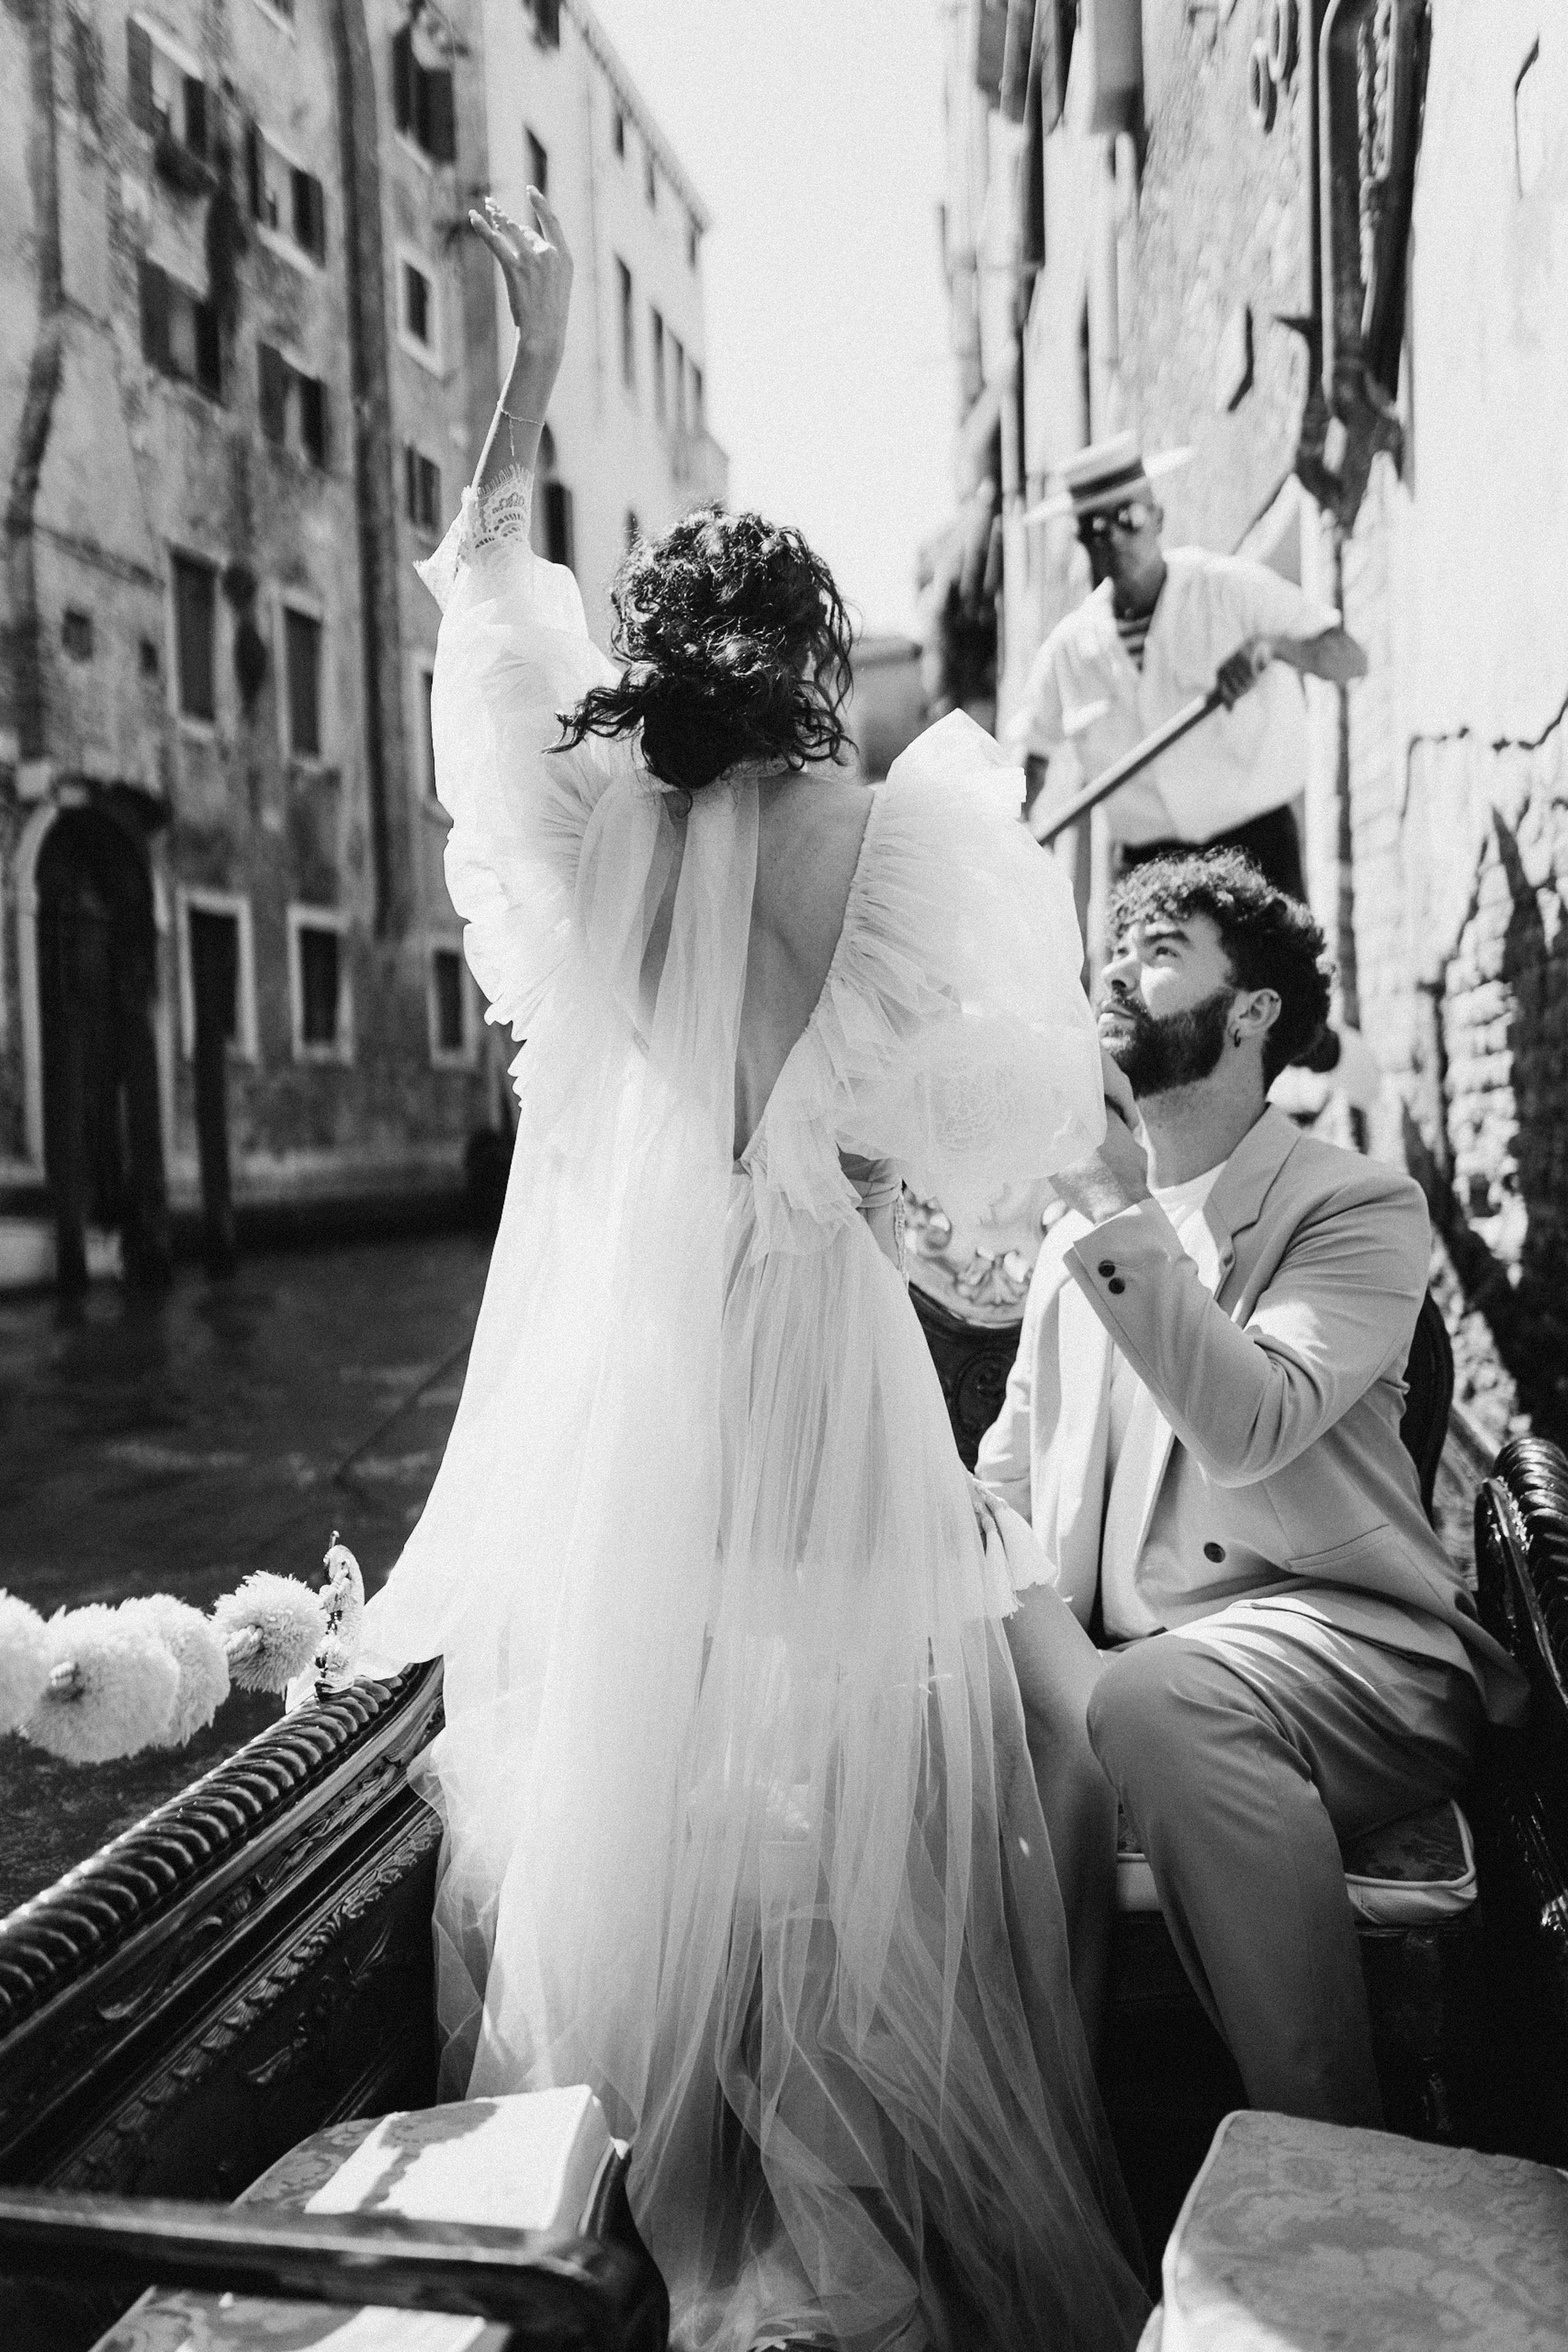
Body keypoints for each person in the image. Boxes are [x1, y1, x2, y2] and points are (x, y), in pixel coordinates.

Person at [358, 192, 1148, 2352]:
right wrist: (853, 1141)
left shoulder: (588, 839)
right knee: (870, 1793)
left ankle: (660, 2208)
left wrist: (528, 363)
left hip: (652, 1381)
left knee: (673, 1778)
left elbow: (479, 602)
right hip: (824, 1364)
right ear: (808, 660)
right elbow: (996, 1136)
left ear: (654, 654)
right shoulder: (896, 840)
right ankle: (848, 2211)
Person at [976, 852, 1528, 2126]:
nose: (1115, 972)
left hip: (1343, 1649)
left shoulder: (1354, 1205)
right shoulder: (1071, 1243)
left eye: (1160, 951)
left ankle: (1328, 2146)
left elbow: (1252, 1425)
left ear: (1252, 1013)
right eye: (1113, 949)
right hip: (1113, 1663)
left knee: (1159, 1699)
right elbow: (1005, 1482)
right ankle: (1032, 2128)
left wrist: (1108, 1193)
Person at [1010, 437, 1368, 899]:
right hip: (1149, 868)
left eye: (1128, 517)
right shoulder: (1068, 651)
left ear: (1158, 519)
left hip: (1255, 848)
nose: (1114, 536)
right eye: (1095, 526)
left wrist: (1271, 649)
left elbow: (1349, 658)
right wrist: (1013, 825)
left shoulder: (1229, 589)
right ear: (1081, 540)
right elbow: (1031, 754)